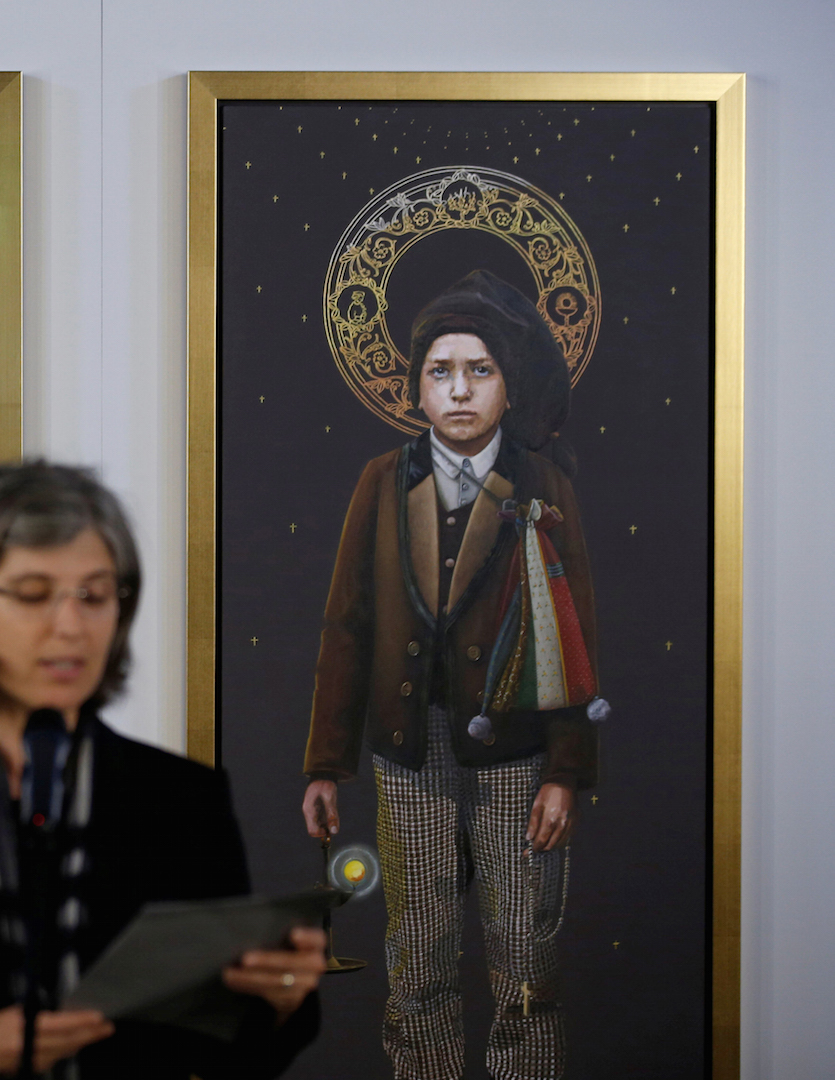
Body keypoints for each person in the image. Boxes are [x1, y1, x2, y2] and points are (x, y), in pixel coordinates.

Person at [0, 462, 327, 1078]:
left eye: (95, 596)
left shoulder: (184, 801)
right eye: (32, 594)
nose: (71, 626)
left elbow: (224, 1055)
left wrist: (282, 1004)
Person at [299, 270, 605, 1080]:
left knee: (520, 947)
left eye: (480, 371)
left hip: (516, 750)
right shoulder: (381, 481)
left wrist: (566, 772)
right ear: (416, 390)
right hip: (409, 752)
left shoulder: (543, 484)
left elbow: (572, 642)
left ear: (507, 387)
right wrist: (327, 763)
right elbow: (346, 627)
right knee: (419, 945)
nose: (460, 390)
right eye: (441, 372)